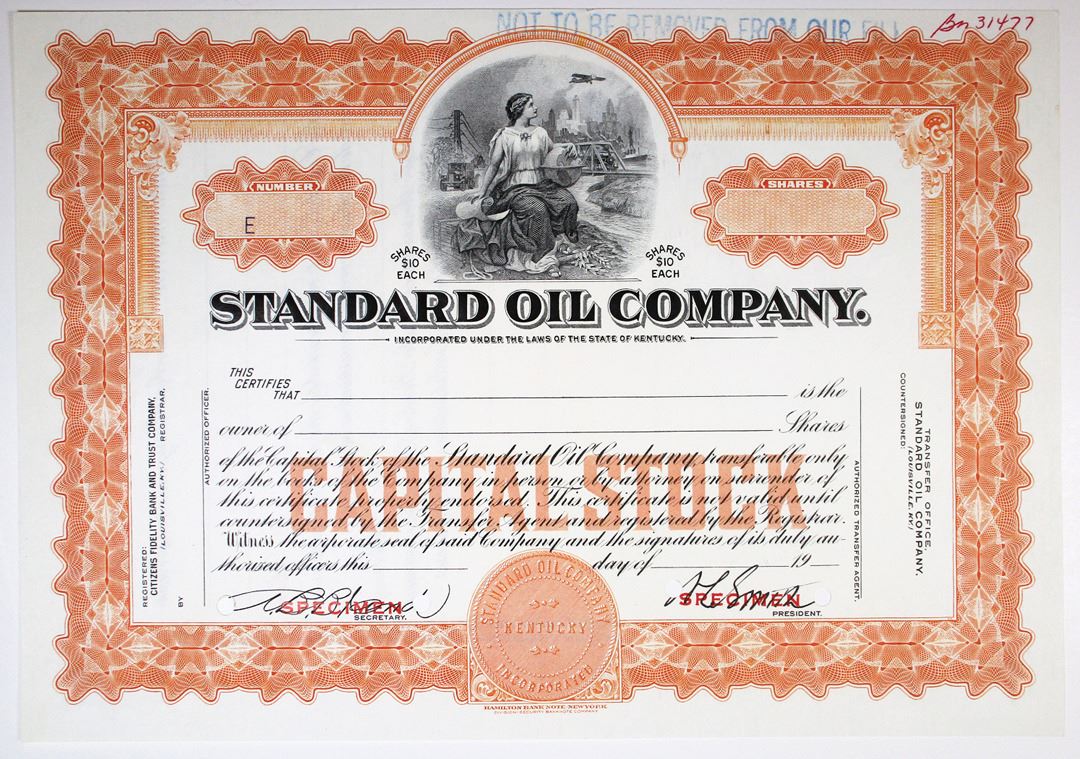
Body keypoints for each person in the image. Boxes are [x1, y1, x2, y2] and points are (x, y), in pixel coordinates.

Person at [453, 93, 579, 277]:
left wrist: (569, 147)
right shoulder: (505, 136)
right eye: (531, 105)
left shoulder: (541, 132)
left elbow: (554, 151)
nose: (535, 108)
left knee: (568, 201)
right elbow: (494, 165)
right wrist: (482, 191)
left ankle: (560, 243)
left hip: (541, 184)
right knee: (537, 209)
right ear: (520, 110)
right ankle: (542, 258)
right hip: (515, 188)